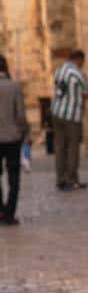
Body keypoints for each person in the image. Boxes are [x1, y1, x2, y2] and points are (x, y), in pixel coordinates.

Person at [51, 49, 88, 190]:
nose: (82, 64)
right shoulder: (77, 73)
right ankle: (72, 179)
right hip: (72, 115)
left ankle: (60, 179)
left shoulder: (60, 70)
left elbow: (62, 90)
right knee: (72, 148)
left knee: (60, 148)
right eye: (82, 61)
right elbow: (87, 93)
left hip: (57, 113)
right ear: (78, 59)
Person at [0, 54, 28, 226]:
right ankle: (10, 213)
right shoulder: (15, 86)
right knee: (14, 176)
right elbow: (21, 115)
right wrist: (25, 132)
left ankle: (0, 210)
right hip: (12, 138)